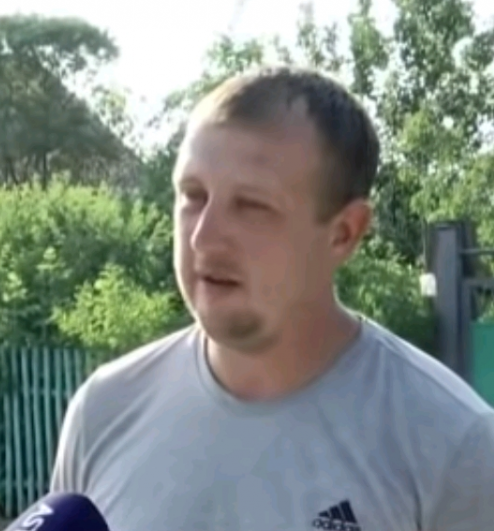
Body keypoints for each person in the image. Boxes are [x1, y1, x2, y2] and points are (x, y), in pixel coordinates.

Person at [49, 67, 494, 531]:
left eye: (251, 206)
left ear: (344, 233)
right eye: (193, 196)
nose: (204, 237)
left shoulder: (453, 447)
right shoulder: (103, 411)